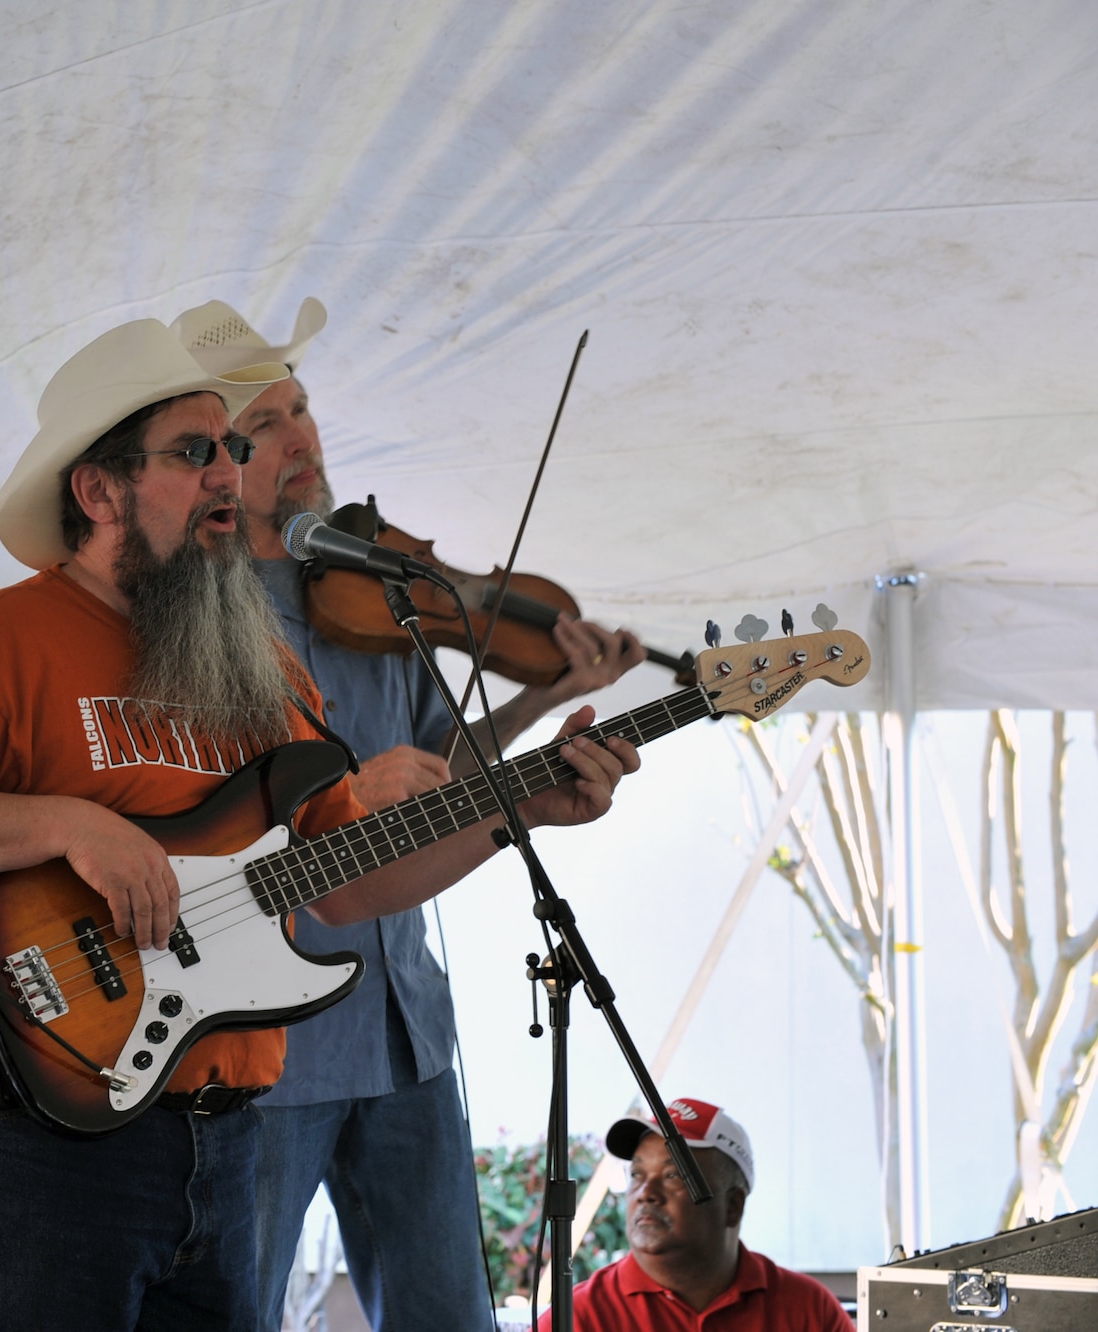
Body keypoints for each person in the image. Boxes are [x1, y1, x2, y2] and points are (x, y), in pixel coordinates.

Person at [0, 316, 640, 1331]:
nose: (227, 472)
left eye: (231, 446)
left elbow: (345, 880)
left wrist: (522, 808)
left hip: (222, 1145)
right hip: (37, 1134)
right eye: (192, 451)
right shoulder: (8, 633)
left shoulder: (264, 666)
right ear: (99, 489)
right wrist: (72, 826)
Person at [168, 298, 648, 1331]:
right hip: (266, 1045)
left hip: (404, 1031)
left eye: (302, 409)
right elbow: (194, 817)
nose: (301, 438)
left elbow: (441, 774)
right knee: (235, 1312)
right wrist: (347, 790)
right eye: (266, 426)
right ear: (218, 465)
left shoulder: (374, 592)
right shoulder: (195, 615)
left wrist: (541, 698)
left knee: (448, 1316)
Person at [539, 1098, 853, 1331]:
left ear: (733, 1206)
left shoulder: (808, 1310)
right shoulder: (578, 1317)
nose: (646, 1192)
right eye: (636, 1174)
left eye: (673, 1175)